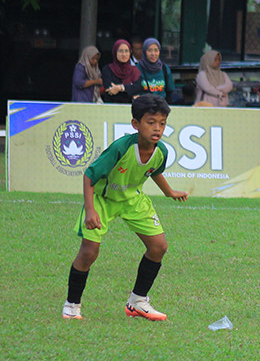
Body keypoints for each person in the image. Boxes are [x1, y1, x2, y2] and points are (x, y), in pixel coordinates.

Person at [61, 95, 188, 321]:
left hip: (133, 199)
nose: (157, 128)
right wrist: (90, 210)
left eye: (162, 123)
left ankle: (138, 301)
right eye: (151, 122)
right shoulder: (121, 147)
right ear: (136, 124)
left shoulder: (162, 152)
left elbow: (154, 171)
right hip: (103, 199)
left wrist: (169, 192)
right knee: (89, 251)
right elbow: (90, 175)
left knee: (158, 247)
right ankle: (72, 304)